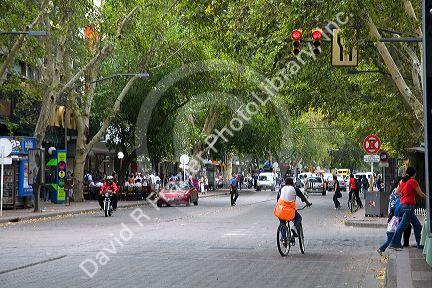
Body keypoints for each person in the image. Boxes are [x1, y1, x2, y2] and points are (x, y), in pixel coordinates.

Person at [389, 167, 426, 250]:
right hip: (409, 207)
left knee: (417, 226)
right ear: (414, 174)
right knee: (402, 226)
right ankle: (394, 243)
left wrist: (404, 195)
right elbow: (421, 194)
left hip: (403, 206)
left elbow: (396, 192)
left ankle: (420, 244)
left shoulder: (402, 181)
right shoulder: (413, 181)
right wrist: (428, 197)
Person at [276, 177, 312, 244]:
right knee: (298, 218)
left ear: (285, 183)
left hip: (280, 210)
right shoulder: (295, 189)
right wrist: (308, 203)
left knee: (282, 222)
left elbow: (278, 200)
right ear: (292, 183)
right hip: (290, 211)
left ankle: (284, 239)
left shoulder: (281, 189)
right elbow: (303, 198)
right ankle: (294, 228)